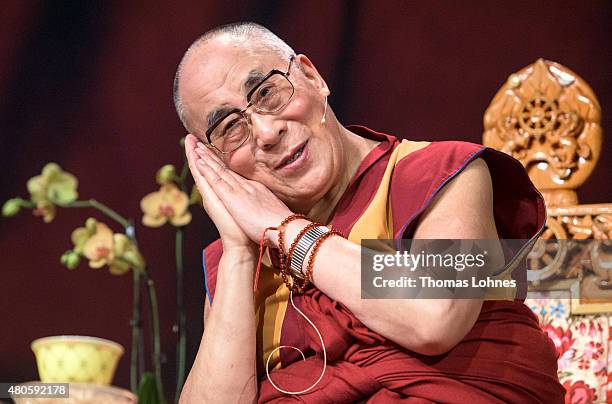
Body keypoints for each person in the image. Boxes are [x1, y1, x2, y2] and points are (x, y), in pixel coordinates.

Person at [174, 22, 564, 403]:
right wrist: (239, 255)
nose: (266, 132)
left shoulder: (439, 174)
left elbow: (435, 316)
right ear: (216, 163)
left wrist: (286, 230)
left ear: (312, 77)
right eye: (229, 128)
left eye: (266, 93)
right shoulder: (240, 261)